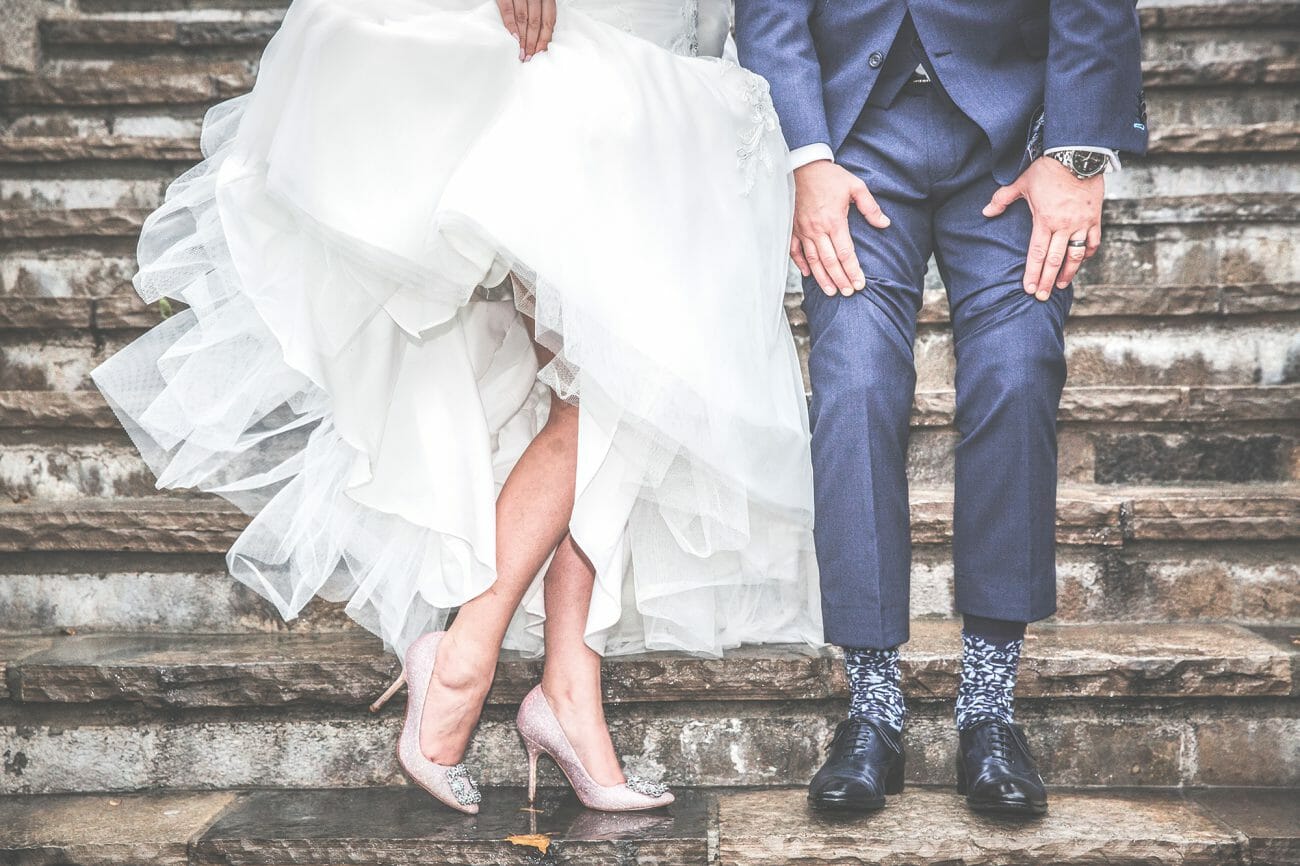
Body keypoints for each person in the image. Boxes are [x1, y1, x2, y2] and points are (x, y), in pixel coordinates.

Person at [93, 0, 821, 814]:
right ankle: (478, 661)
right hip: (578, 48)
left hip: (682, 54)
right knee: (605, 388)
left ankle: (558, 685)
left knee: (616, 388)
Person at [735, 0, 1147, 816]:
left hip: (1016, 140)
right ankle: (872, 709)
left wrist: (1076, 154)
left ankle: (988, 709)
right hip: (851, 136)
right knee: (853, 385)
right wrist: (803, 157)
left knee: (1020, 371)